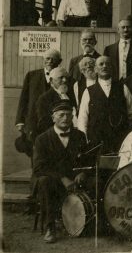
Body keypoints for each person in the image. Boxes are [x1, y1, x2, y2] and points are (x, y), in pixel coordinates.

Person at [33, 100, 89, 243]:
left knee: (96, 181)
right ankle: (50, 227)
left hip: (74, 179)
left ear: (72, 117)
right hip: (51, 180)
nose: (65, 118)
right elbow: (39, 168)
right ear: (53, 118)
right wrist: (62, 178)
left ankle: (88, 223)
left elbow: (86, 160)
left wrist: (82, 172)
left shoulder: (79, 136)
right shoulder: (42, 139)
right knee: (45, 182)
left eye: (68, 115)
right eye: (61, 115)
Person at [77, 56, 132, 153]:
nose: (104, 66)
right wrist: (86, 139)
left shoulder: (123, 88)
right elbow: (82, 119)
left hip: (120, 140)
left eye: (107, 64)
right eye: (101, 64)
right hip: (97, 142)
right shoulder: (88, 91)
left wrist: (121, 126)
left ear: (112, 68)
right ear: (95, 69)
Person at [16, 49, 61, 143]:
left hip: (55, 123)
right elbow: (24, 99)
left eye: (53, 59)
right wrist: (20, 121)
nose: (50, 62)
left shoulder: (64, 77)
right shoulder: (31, 75)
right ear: (43, 60)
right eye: (47, 58)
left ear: (59, 61)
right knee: (34, 151)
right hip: (34, 121)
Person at [35, 67, 77, 139]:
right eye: (61, 78)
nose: (65, 80)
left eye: (66, 78)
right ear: (51, 81)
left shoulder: (72, 95)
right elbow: (43, 124)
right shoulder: (45, 98)